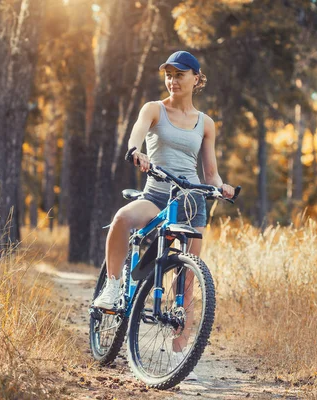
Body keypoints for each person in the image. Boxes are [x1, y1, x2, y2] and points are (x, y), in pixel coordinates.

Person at [93, 51, 235, 378]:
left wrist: (221, 186)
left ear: (196, 79)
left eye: (180, 74)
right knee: (122, 220)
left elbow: (210, 172)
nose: (173, 80)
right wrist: (135, 151)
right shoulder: (154, 109)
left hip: (191, 201)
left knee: (188, 275)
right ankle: (113, 288)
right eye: (169, 74)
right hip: (157, 193)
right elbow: (137, 132)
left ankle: (181, 349)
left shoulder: (206, 123)